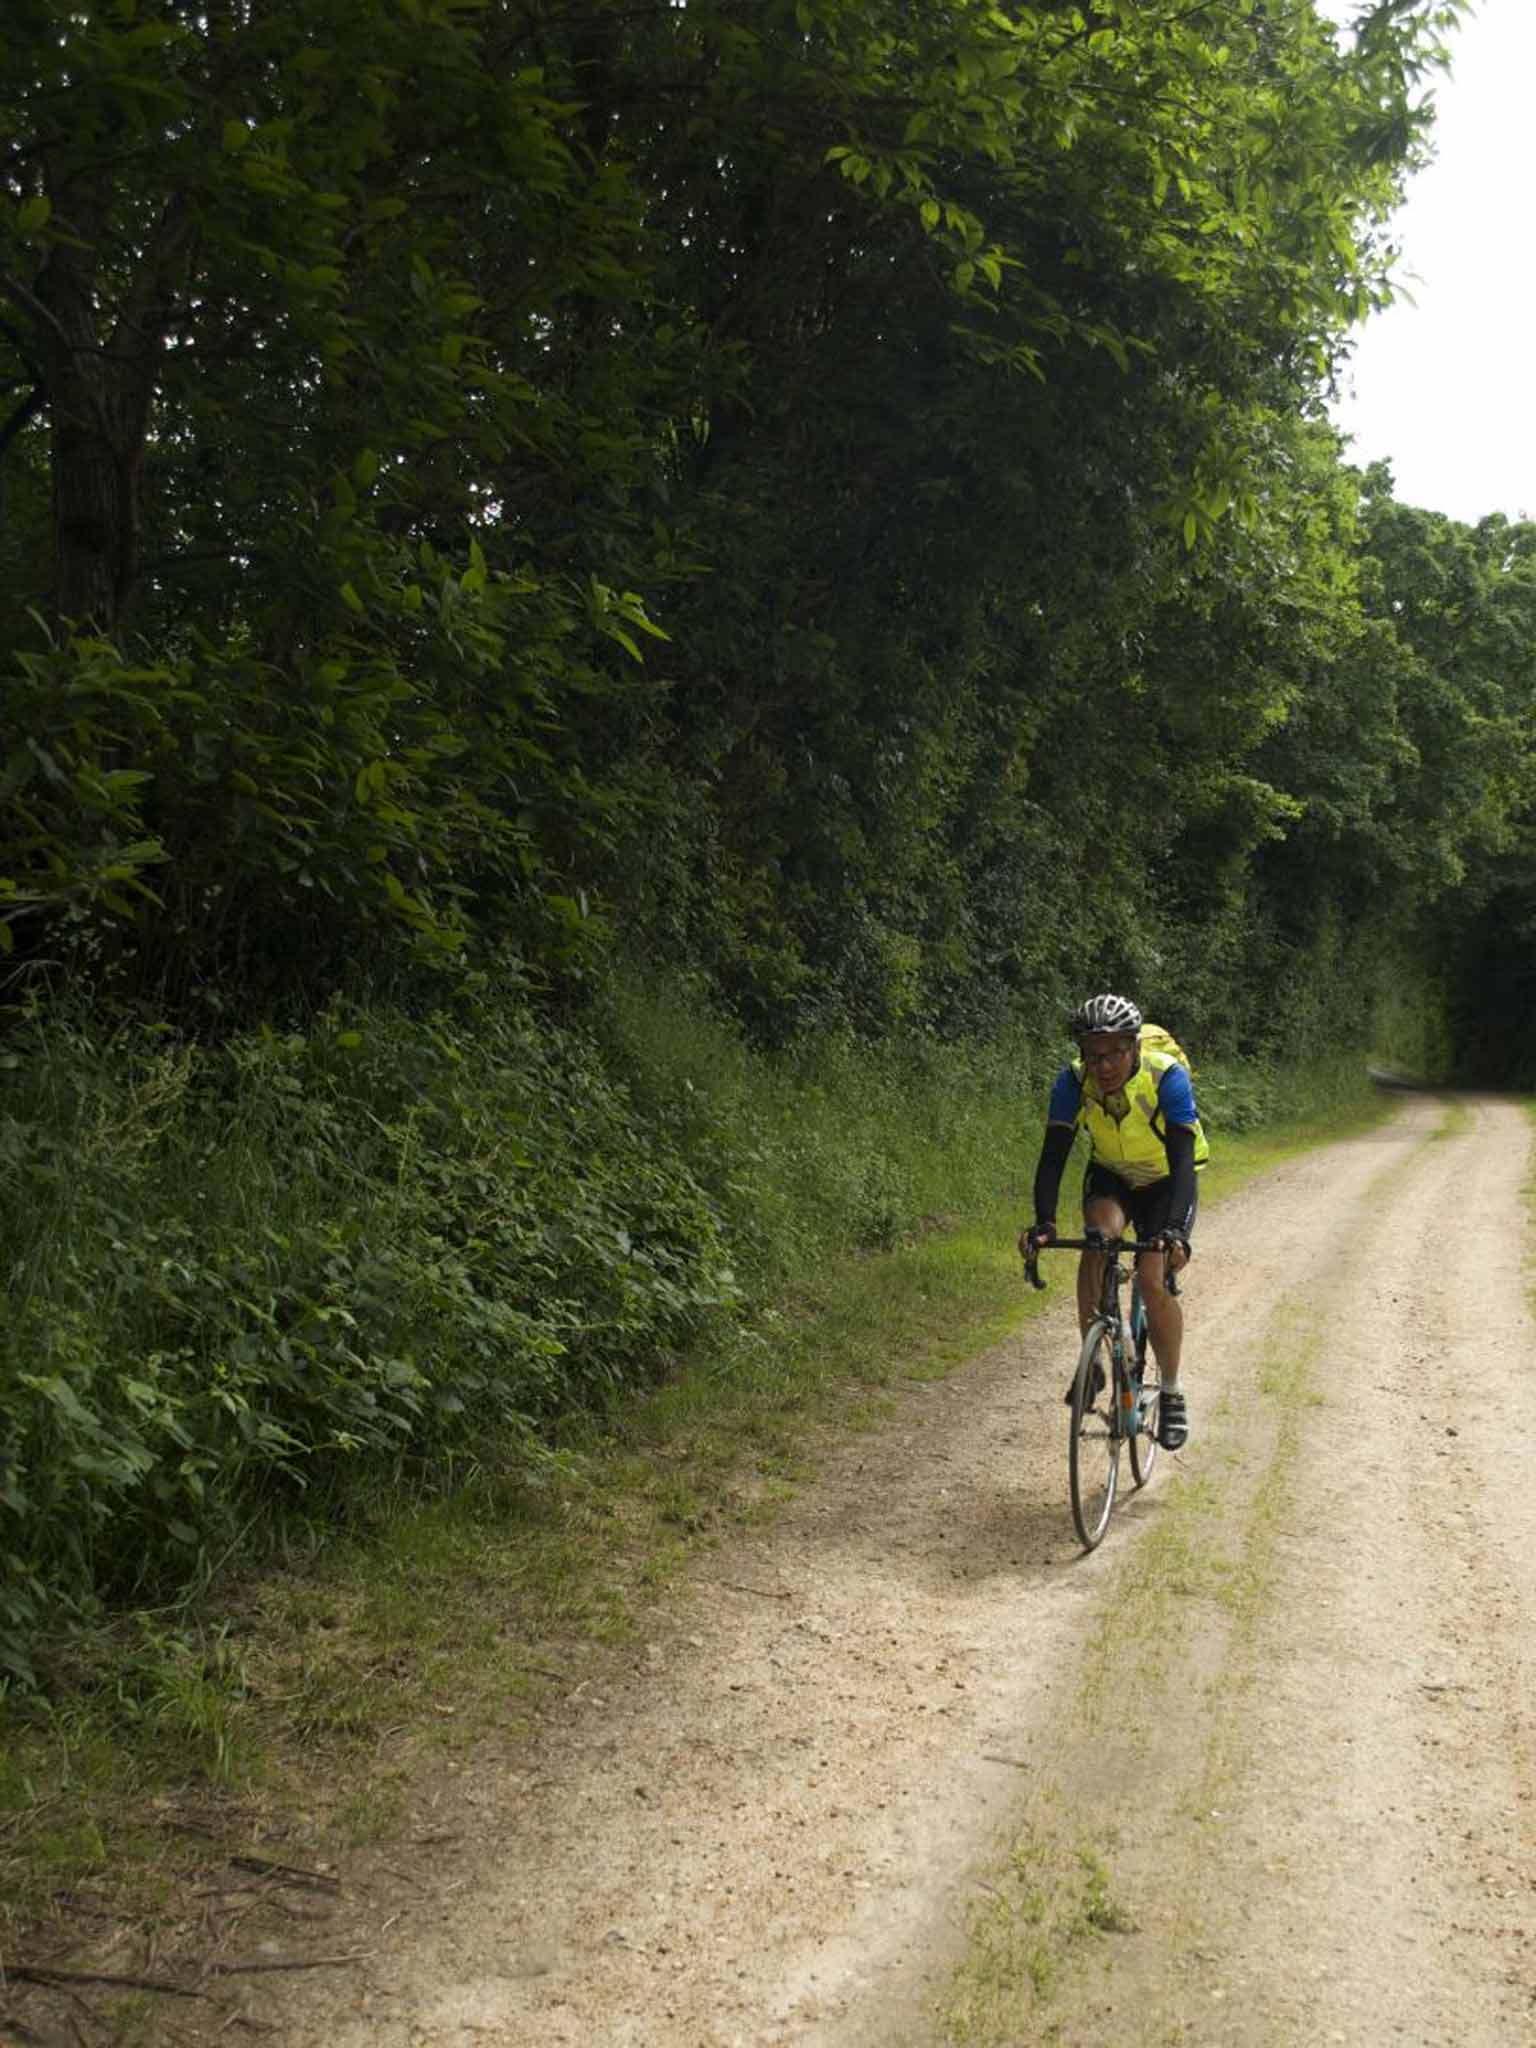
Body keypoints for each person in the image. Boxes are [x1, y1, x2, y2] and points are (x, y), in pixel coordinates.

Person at [1018, 993, 1205, 1450]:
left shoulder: (1167, 1079)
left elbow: (1183, 1162)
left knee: (1151, 1277)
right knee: (1097, 1243)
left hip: (1165, 1179)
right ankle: (1093, 1364)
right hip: (1113, 1176)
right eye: (1092, 1054)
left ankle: (1173, 1391)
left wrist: (1175, 1232)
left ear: (1134, 1046)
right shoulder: (1073, 1083)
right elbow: (1053, 1158)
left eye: (1115, 1052)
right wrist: (1043, 1221)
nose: (1103, 1065)